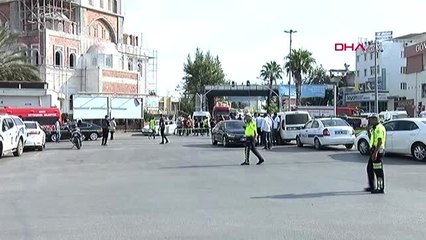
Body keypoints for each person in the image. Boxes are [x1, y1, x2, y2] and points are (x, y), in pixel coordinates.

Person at [365, 114, 386, 194]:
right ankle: (372, 186)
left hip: (377, 151)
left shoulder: (379, 128)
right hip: (374, 151)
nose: (369, 121)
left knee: (378, 171)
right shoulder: (375, 128)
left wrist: (375, 153)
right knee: (369, 169)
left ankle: (380, 188)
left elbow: (380, 141)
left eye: (370, 120)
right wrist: (368, 131)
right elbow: (372, 139)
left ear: (375, 119)